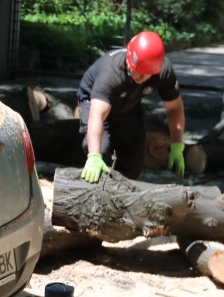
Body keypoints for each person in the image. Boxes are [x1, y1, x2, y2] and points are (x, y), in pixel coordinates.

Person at [77, 30, 186, 183]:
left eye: (148, 74)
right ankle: (96, 191)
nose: (143, 78)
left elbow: (175, 108)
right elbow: (97, 115)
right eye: (139, 72)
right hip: (94, 99)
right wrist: (94, 156)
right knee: (100, 149)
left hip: (128, 101)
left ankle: (125, 195)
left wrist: (176, 144)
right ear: (129, 61)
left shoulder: (163, 71)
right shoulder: (112, 73)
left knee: (134, 155)